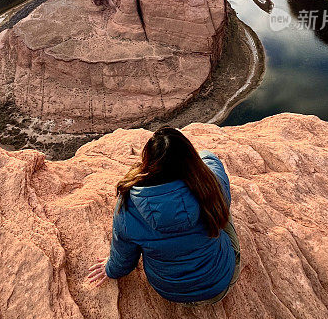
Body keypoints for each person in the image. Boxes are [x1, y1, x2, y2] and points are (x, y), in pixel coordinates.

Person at [87, 126, 241, 305]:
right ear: (190, 160)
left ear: (148, 161)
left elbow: (125, 258)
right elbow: (211, 159)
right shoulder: (211, 184)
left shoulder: (129, 205)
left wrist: (110, 269)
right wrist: (199, 158)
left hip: (172, 292)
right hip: (219, 284)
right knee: (221, 209)